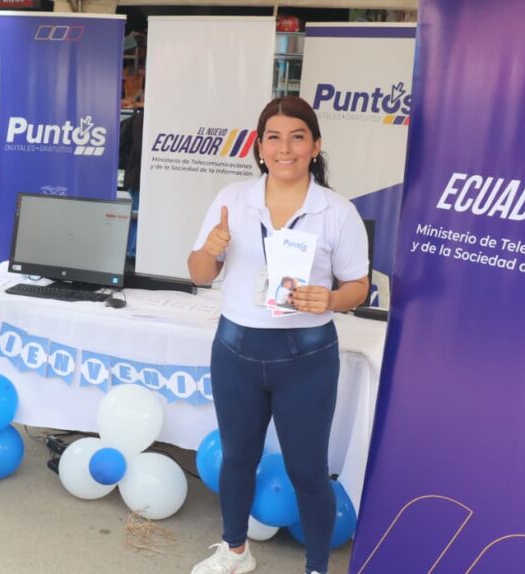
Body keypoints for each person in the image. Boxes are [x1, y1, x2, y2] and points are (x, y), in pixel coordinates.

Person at [187, 96, 370, 574]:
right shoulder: (232, 200)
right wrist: (210, 249)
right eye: (274, 137)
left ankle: (316, 567)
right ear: (259, 146)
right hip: (236, 349)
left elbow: (358, 286)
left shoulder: (337, 211)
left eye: (297, 137)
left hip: (306, 357)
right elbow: (200, 274)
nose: (284, 148)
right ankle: (235, 550)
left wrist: (331, 299)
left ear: (316, 146)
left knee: (307, 470)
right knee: (237, 458)